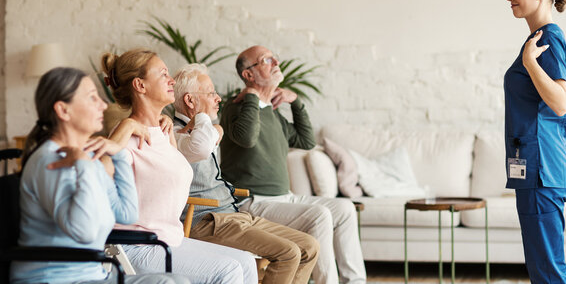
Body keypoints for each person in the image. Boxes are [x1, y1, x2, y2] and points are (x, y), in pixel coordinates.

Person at [10, 67, 189, 284]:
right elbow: (82, 231)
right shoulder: (51, 160)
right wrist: (85, 167)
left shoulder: (86, 157)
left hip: (96, 276)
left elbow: (126, 214)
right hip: (58, 279)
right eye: (92, 98)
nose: (103, 105)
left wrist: (119, 157)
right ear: (63, 110)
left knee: (179, 281)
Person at [101, 49, 257, 284]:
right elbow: (96, 181)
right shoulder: (126, 137)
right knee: (228, 271)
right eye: (163, 74)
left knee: (245, 261)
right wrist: (124, 127)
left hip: (169, 238)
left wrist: (168, 130)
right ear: (140, 85)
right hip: (136, 245)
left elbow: (178, 167)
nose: (171, 79)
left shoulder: (163, 130)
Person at [219, 45, 367, 284]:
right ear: (248, 74)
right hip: (251, 202)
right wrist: (252, 97)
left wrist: (295, 102)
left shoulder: (273, 114)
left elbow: (306, 141)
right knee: (319, 216)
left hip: (284, 198)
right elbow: (247, 137)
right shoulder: (234, 107)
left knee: (345, 209)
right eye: (267, 60)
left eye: (274, 58)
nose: (276, 62)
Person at [172, 63, 319, 284]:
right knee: (288, 253)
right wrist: (210, 124)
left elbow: (212, 136)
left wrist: (216, 128)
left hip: (233, 215)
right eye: (211, 92)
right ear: (190, 100)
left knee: (309, 246)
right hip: (207, 221)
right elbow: (200, 144)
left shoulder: (205, 131)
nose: (218, 98)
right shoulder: (175, 133)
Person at [504, 0, 566, 284]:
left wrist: (530, 63)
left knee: (548, 272)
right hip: (534, 169)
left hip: (542, 169)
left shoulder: (548, 39)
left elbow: (561, 103)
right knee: (542, 268)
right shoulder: (538, 39)